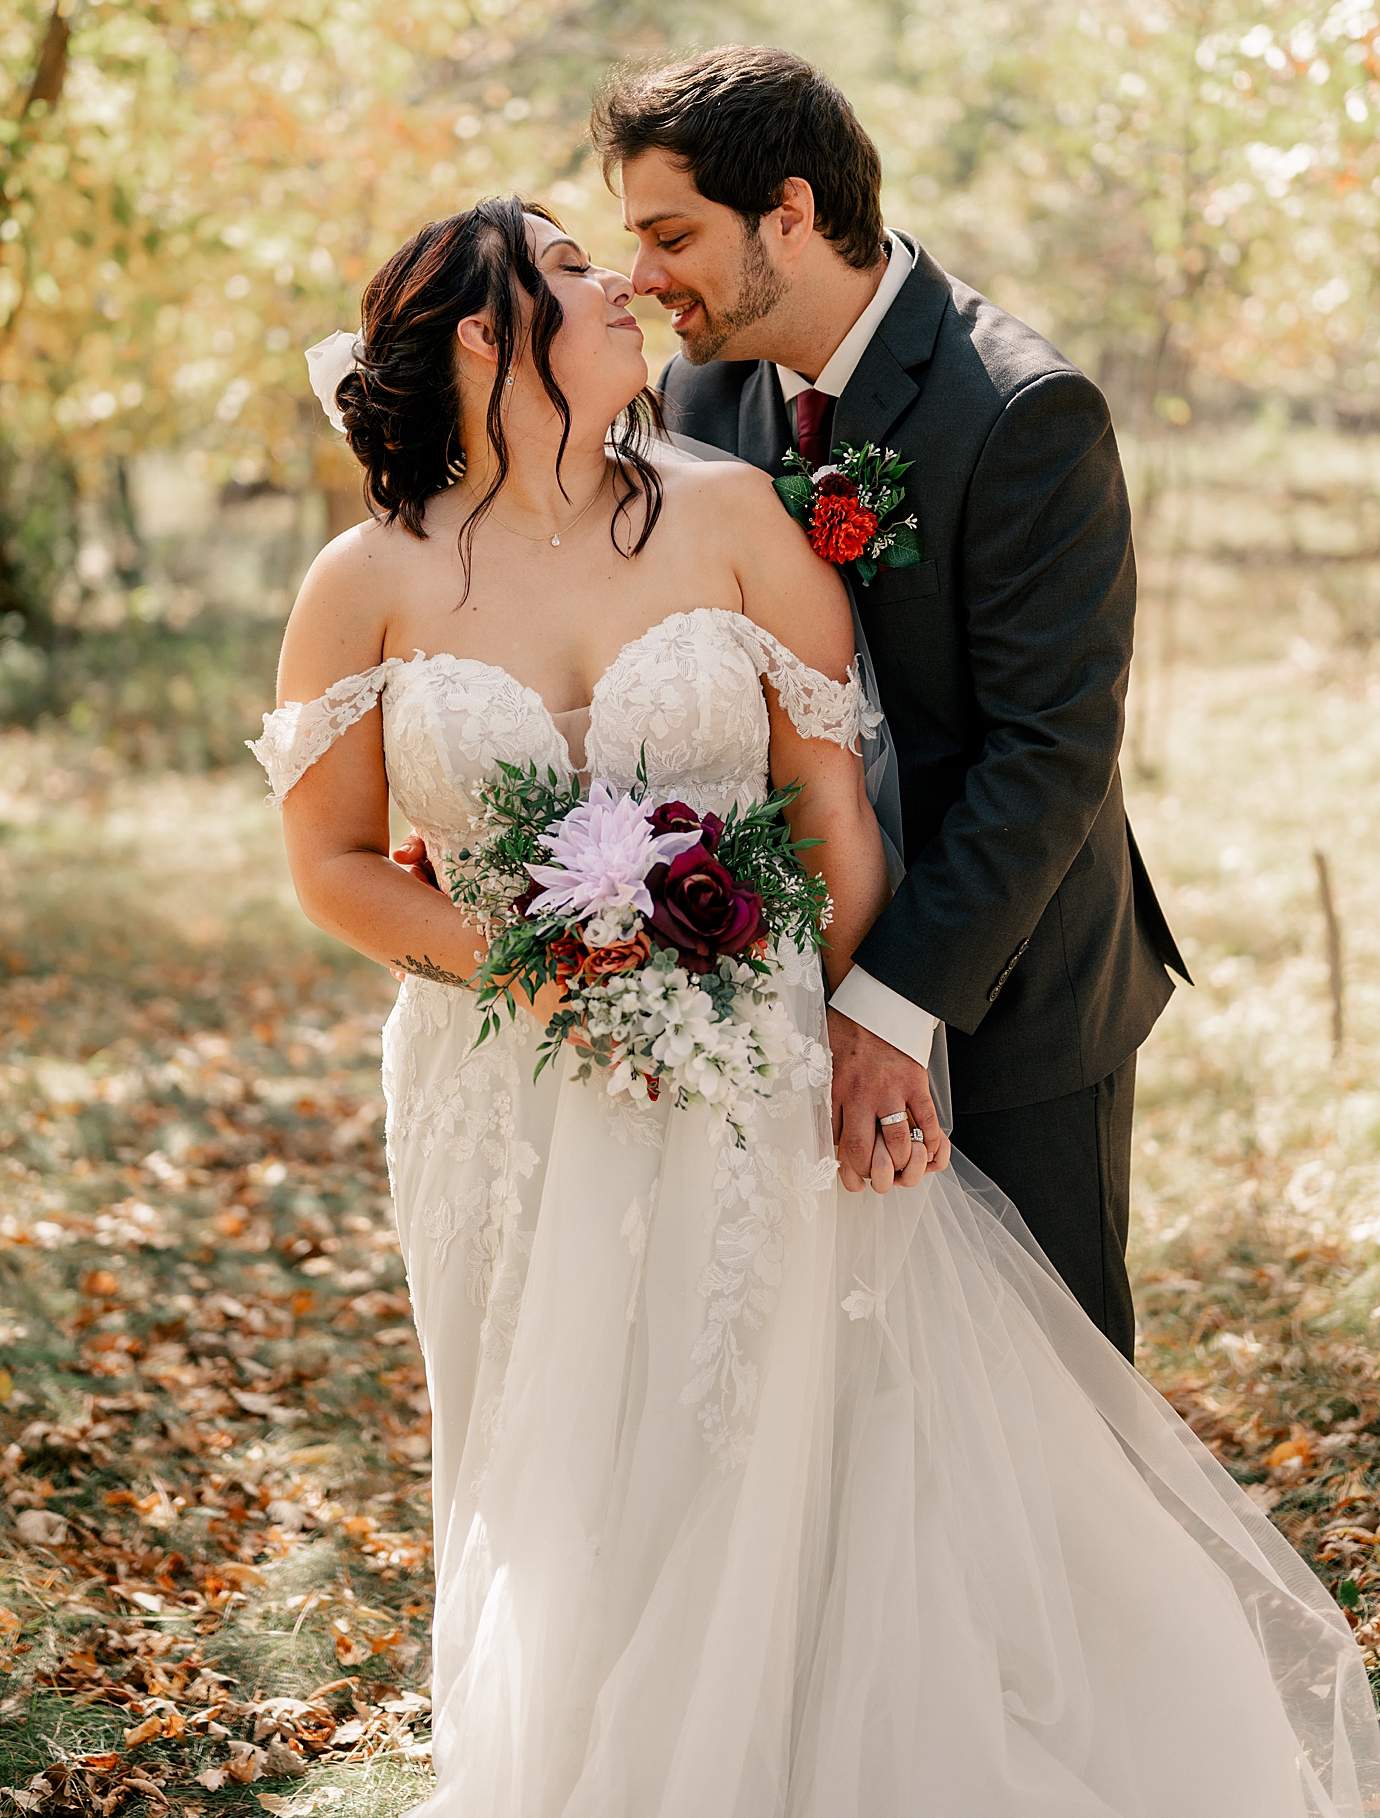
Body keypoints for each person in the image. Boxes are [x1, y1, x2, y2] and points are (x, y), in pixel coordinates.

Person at [251, 195, 1377, 1814]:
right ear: (485, 336)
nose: (621, 280)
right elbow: (337, 867)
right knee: (566, 1455)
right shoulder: (365, 580)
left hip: (752, 1057)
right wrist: (536, 970)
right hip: (509, 1084)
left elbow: (837, 817)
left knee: (775, 1429)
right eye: (572, 269)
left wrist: (853, 1035)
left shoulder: (728, 516)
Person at [592, 44, 1188, 1360]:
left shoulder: (1022, 409)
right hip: (783, 998)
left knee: (1054, 1392)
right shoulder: (702, 392)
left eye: (670, 233)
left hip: (1013, 986)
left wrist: (889, 1002)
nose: (640, 277)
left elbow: (1051, 752)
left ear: (789, 214)